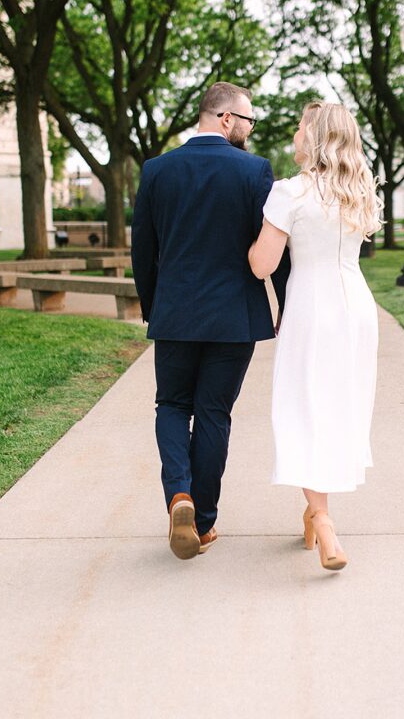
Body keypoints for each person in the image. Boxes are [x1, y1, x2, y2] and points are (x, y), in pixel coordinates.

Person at [132, 82, 289, 560]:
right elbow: (276, 250)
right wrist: (284, 303)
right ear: (225, 120)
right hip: (233, 318)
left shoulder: (157, 171)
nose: (249, 130)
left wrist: (151, 306)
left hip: (176, 312)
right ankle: (202, 521)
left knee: (172, 405)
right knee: (215, 413)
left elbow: (143, 249)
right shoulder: (254, 171)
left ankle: (178, 493)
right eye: (248, 121)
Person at [249, 102, 382, 571]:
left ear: (315, 136)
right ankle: (313, 513)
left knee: (304, 407)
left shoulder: (290, 192)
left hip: (311, 307)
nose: (295, 131)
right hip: (358, 310)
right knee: (339, 405)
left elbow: (263, 265)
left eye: (301, 125)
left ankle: (323, 520)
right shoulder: (358, 188)